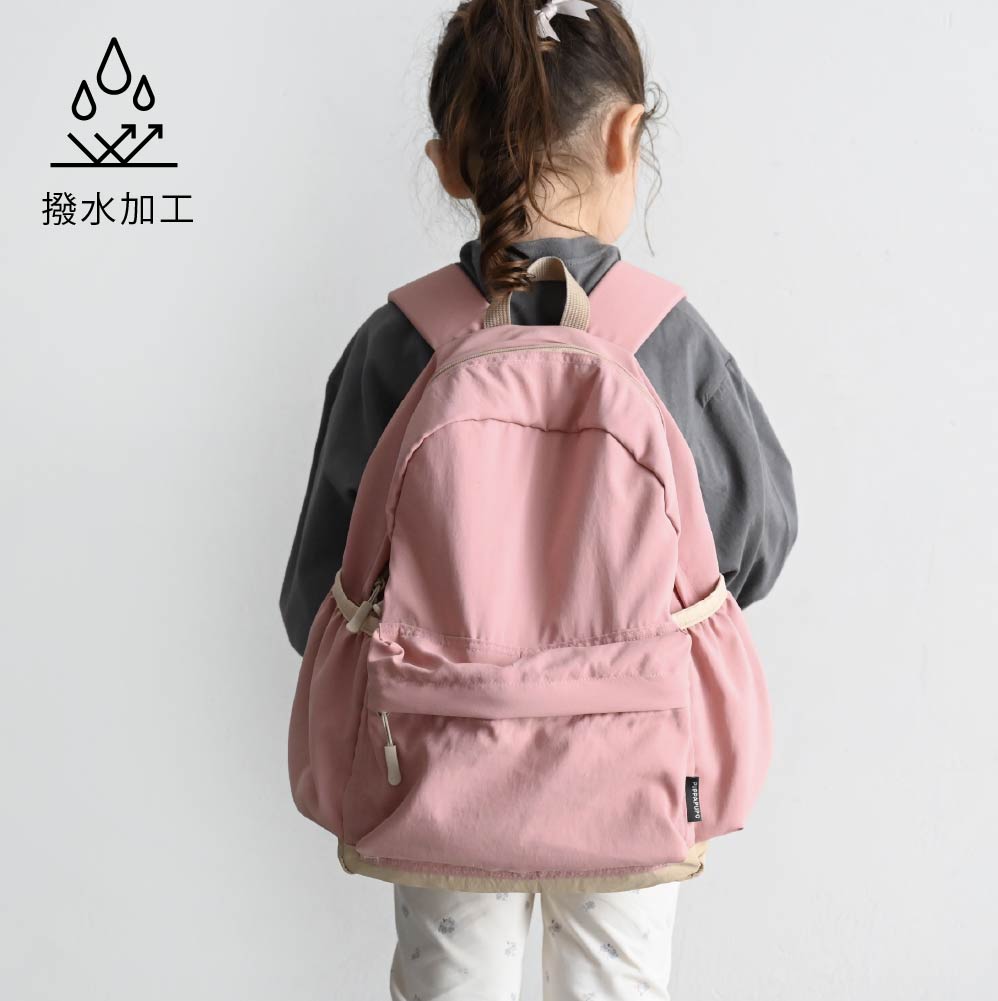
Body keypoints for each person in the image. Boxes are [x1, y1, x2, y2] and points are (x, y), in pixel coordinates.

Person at [280, 2, 797, 998]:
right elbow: (757, 535)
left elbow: (318, 595)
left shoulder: (397, 340)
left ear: (447, 164)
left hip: (438, 764)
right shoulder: (665, 336)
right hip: (632, 762)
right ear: (624, 137)